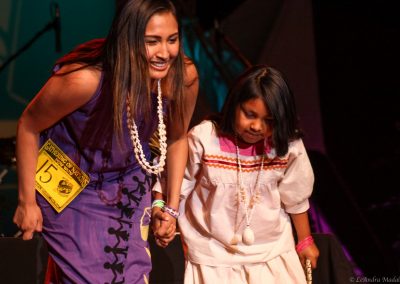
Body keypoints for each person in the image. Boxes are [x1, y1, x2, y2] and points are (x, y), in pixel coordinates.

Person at [12, 0, 198, 283]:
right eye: (152, 42)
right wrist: (27, 202)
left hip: (126, 178)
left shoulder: (181, 77)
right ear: (128, 40)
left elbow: (177, 137)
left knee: (131, 274)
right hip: (71, 183)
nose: (165, 52)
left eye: (172, 40)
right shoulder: (84, 80)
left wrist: (170, 208)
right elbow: (28, 125)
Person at [155, 65, 319, 283]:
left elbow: (296, 198)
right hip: (213, 258)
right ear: (234, 105)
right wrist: (163, 211)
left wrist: (305, 240)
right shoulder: (204, 138)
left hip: (273, 254)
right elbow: (171, 181)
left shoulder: (286, 146)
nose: (257, 126)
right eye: (250, 114)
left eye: (269, 121)